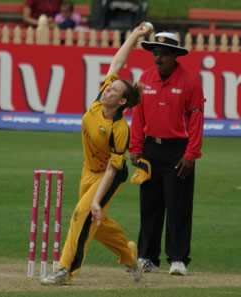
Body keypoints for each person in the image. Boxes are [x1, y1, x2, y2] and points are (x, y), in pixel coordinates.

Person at [41, 22, 152, 286]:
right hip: (88, 170)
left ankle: (65, 270)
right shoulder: (100, 100)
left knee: (82, 213)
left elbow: (113, 170)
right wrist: (134, 36)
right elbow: (117, 62)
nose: (107, 89)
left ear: (122, 102)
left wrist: (96, 200)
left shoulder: (119, 129)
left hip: (110, 175)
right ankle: (128, 254)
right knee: (96, 224)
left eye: (114, 90)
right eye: (109, 87)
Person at [129, 32, 205, 275]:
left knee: (178, 206)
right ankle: (147, 257)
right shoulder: (145, 78)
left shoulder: (190, 82)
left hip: (178, 151)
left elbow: (196, 120)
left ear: (175, 56)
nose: (158, 57)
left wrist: (191, 154)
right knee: (149, 206)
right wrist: (136, 148)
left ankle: (178, 259)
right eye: (155, 52)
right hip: (150, 149)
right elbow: (138, 116)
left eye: (163, 53)